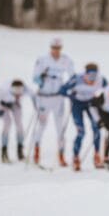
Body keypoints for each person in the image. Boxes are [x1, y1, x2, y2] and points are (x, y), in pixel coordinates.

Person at [31, 37, 75, 167]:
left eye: (58, 48)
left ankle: (61, 154)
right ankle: (36, 150)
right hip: (44, 97)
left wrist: (69, 88)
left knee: (60, 128)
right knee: (41, 125)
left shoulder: (66, 60)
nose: (56, 51)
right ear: (50, 48)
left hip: (58, 98)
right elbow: (34, 78)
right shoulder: (43, 60)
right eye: (54, 48)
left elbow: (72, 77)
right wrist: (41, 77)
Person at [61, 63, 108, 171]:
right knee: (81, 132)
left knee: (97, 129)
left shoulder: (101, 80)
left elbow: (108, 90)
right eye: (90, 76)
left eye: (94, 76)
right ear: (85, 74)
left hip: (91, 104)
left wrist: (102, 98)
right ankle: (76, 157)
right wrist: (70, 93)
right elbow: (62, 89)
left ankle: (97, 156)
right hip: (77, 104)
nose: (92, 79)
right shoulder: (76, 79)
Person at [0, 80, 33, 163]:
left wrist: (37, 105)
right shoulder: (3, 92)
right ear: (11, 89)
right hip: (2, 104)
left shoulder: (25, 90)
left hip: (14, 104)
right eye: (15, 91)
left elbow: (34, 95)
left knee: (19, 125)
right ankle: (4, 152)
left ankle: (20, 150)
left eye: (20, 91)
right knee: (7, 123)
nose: (18, 93)